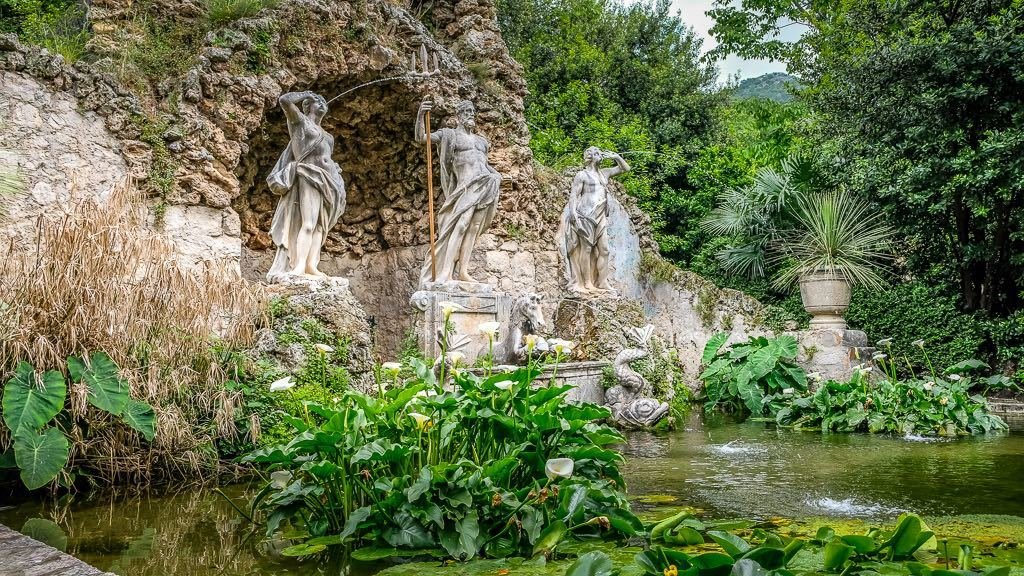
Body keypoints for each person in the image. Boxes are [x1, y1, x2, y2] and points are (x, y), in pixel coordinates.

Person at [415, 99, 502, 286]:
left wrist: (498, 176)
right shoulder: (450, 135)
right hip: (464, 188)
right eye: (467, 111)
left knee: (474, 228)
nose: (471, 114)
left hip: (485, 185)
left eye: (473, 111)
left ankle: (463, 271)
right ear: (459, 116)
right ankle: (445, 271)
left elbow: (485, 165)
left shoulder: (481, 142)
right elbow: (422, 138)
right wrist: (421, 115)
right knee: (461, 225)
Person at [266, 91, 346, 281]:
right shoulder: (299, 122)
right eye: (317, 101)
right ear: (307, 105)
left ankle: (311, 265)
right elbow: (284, 100)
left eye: (324, 101)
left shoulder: (328, 137)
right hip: (308, 174)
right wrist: (305, 94)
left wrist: (335, 169)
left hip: (330, 180)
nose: (322, 103)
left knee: (320, 225)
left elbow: (326, 158)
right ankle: (299, 265)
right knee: (308, 223)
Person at [558, 146, 630, 295]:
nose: (600, 155)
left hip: (601, 216)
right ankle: (587, 282)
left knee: (605, 250)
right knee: (587, 249)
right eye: (596, 153)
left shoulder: (604, 174)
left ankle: (602, 282)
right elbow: (574, 195)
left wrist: (616, 157)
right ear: (589, 157)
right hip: (586, 215)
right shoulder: (582, 175)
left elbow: (625, 169)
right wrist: (573, 214)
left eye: (600, 152)